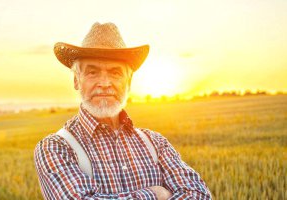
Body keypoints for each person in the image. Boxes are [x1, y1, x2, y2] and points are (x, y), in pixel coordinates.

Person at [34, 22, 211, 200]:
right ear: (76, 80)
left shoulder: (156, 143)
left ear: (129, 82)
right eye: (92, 72)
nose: (104, 83)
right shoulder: (55, 148)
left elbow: (199, 195)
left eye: (115, 73)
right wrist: (155, 194)